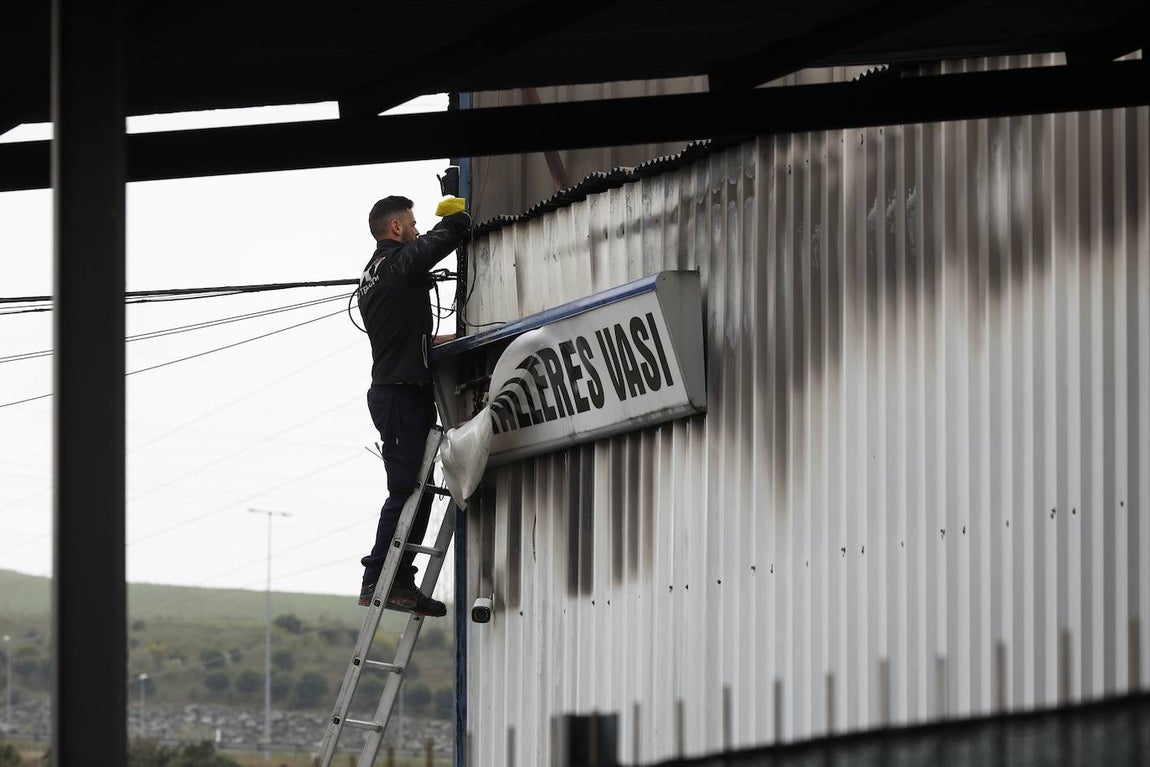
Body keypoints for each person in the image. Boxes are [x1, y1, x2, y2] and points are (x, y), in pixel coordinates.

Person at [356, 194, 470, 615]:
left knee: (416, 491)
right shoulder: (393, 264)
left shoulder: (376, 275)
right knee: (405, 489)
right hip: (400, 393)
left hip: (398, 388)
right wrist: (456, 217)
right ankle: (378, 579)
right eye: (413, 223)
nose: (418, 230)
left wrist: (451, 341)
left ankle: (399, 580)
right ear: (397, 228)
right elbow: (437, 243)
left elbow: (406, 340)